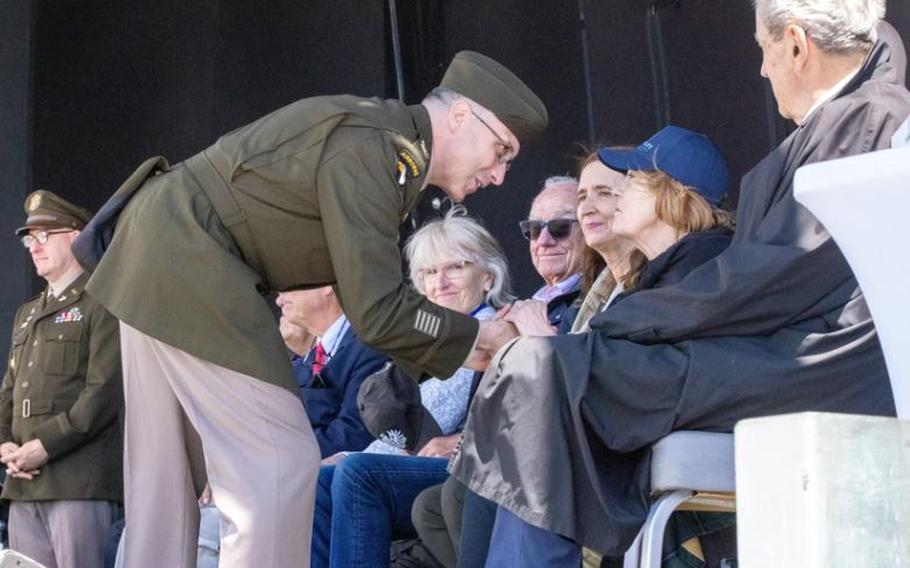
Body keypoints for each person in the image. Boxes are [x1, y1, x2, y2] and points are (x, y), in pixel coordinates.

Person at [451, 0, 910, 563]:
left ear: (796, 44)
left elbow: (775, 278)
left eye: (763, 51)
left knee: (537, 369)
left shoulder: (868, 118)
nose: (763, 71)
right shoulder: (851, 117)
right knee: (534, 371)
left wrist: (621, 324)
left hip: (806, 364)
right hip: (767, 348)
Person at [75, 50, 542, 567]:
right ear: (460, 117)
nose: (499, 174)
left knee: (164, 477)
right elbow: (380, 308)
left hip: (157, 254)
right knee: (281, 462)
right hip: (192, 261)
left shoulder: (380, 139)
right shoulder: (381, 147)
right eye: (501, 150)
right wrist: (482, 341)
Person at [312, 207, 511, 568]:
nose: (441, 282)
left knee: (355, 474)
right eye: (429, 272)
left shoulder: (493, 330)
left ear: (487, 277)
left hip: (470, 472)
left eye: (456, 267)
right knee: (322, 480)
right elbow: (400, 435)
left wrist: (358, 457)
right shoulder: (433, 341)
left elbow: (428, 424)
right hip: (425, 466)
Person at [0, 191, 122, 568]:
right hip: (23, 483)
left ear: (76, 236)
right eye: (28, 239)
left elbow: (103, 393)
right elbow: (10, 389)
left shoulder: (102, 302)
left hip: (78, 483)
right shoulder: (27, 312)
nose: (33, 247)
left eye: (44, 235)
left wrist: (44, 446)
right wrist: (4, 443)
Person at [276, 287, 389, 457]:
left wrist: (284, 456)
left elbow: (353, 432)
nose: (279, 300)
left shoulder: (368, 346)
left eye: (288, 288)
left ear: (326, 287)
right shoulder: (315, 355)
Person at [522, 176, 585, 330]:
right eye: (535, 228)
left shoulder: (600, 301)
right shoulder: (527, 305)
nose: (543, 241)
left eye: (560, 226)